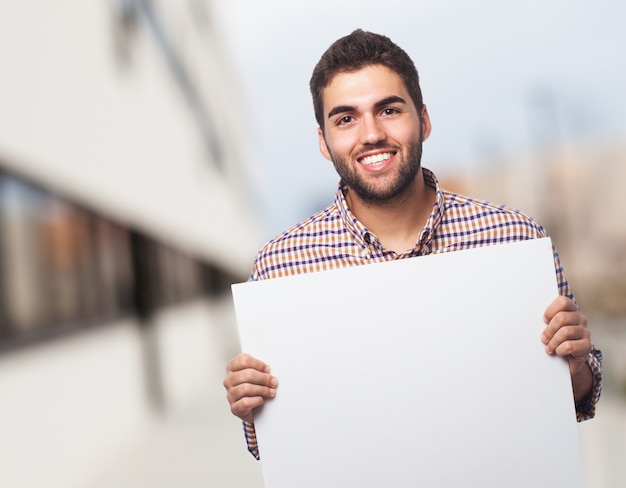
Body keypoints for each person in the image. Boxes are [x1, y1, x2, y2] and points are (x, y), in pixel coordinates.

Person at [223, 29, 603, 460]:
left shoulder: (516, 239)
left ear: (423, 120)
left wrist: (574, 367)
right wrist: (253, 408)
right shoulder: (279, 270)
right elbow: (278, 451)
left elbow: (573, 401)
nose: (370, 134)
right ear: (323, 143)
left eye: (388, 109)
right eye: (345, 118)